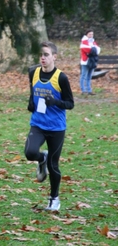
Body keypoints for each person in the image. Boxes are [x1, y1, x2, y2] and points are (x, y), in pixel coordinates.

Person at [24, 41, 74, 211]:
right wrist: (31, 103)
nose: (43, 58)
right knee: (30, 152)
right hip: (38, 123)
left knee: (53, 166)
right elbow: (33, 92)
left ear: (54, 57)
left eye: (46, 55)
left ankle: (54, 199)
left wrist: (55, 102)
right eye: (41, 55)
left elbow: (70, 103)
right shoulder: (33, 72)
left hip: (56, 127)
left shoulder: (61, 77)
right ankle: (41, 158)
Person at [79, 29, 101, 95]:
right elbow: (88, 50)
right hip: (85, 61)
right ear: (87, 34)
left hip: (92, 61)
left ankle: (89, 90)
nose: (91, 35)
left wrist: (93, 50)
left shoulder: (93, 41)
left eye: (92, 34)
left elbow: (98, 50)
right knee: (83, 76)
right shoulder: (84, 41)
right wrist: (93, 50)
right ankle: (83, 90)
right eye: (90, 34)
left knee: (89, 76)